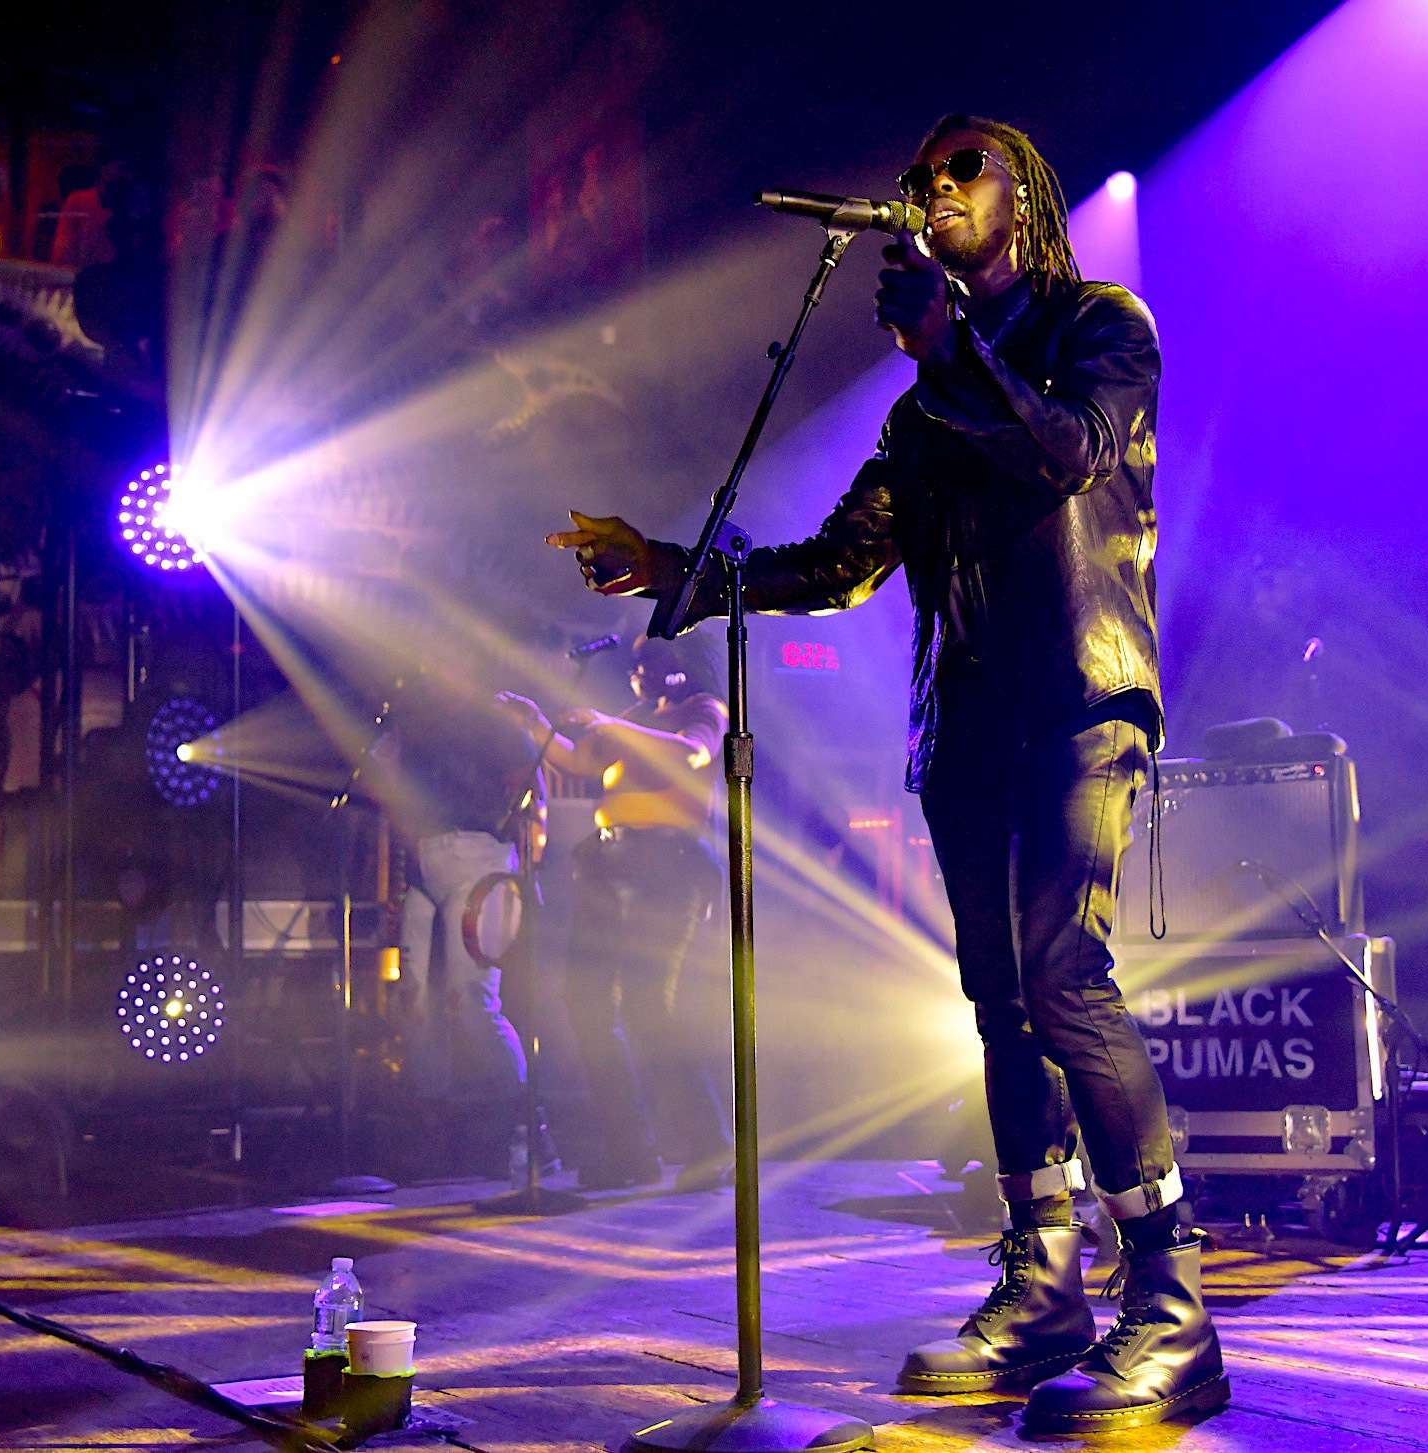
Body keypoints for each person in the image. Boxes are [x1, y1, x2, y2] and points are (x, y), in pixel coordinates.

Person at [543, 115, 1226, 1433]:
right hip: (966, 721)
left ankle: (1171, 1299)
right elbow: (835, 565)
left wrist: (948, 349)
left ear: (1023, 195)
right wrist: (677, 568)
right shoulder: (922, 413)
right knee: (1000, 1004)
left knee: (1062, 975)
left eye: (962, 168)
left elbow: (1067, 453)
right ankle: (1043, 1283)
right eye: (921, 176)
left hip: (1080, 695)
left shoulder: (1101, 326)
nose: (935, 187)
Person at [499, 636, 732, 1193]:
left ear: (675, 661)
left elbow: (691, 754)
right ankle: (631, 1152)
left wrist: (610, 723)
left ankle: (710, 1148)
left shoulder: (704, 709)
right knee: (586, 1003)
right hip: (608, 863)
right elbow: (580, 760)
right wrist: (536, 725)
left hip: (667, 866)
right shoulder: (634, 717)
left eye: (647, 659)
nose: (636, 670)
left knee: (650, 1007)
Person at [378, 671, 540, 1175]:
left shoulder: (493, 721)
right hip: (424, 865)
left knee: (472, 1001)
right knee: (413, 1000)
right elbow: (394, 802)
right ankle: (432, 1123)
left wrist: (528, 858)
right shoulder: (410, 729)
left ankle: (522, 1129)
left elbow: (532, 790)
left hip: (477, 855)